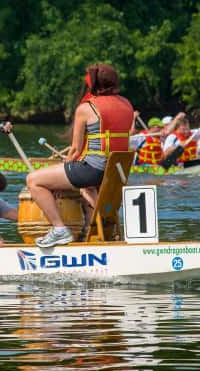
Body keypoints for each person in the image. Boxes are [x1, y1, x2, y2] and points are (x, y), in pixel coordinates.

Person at [26, 63, 133, 248]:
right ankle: (98, 237)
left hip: (93, 170)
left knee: (33, 180)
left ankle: (59, 230)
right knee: (85, 188)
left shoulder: (86, 108)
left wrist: (64, 170)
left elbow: (75, 151)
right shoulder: (127, 104)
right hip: (116, 172)